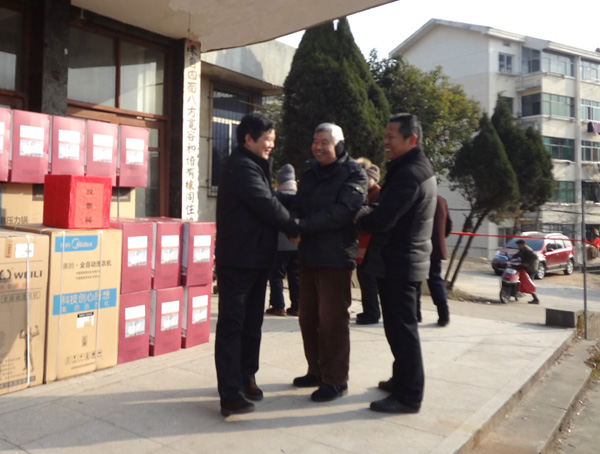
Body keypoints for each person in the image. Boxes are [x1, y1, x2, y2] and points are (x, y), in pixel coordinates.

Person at [214, 112, 300, 416]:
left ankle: (247, 376)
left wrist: (300, 201)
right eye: (267, 139)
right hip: (238, 260)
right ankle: (230, 394)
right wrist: (295, 227)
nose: (271, 145)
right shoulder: (241, 166)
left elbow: (271, 197)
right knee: (232, 325)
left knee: (252, 324)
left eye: (273, 140)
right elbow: (265, 203)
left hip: (257, 258)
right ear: (249, 139)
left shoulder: (255, 165)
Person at [356, 113, 436, 414]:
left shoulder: (409, 174)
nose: (385, 142)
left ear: (410, 139)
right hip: (404, 260)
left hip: (400, 262)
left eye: (391, 137)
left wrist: (361, 214)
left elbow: (383, 219)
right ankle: (401, 379)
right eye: (385, 136)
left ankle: (409, 396)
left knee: (402, 331)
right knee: (398, 328)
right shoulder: (411, 167)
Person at [292, 123, 367, 402]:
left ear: (339, 145)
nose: (318, 147)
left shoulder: (354, 173)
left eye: (325, 142)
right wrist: (291, 221)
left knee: (332, 320)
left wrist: (303, 225)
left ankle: (335, 380)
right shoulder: (310, 172)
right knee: (308, 317)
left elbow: (344, 212)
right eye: (315, 141)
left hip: (335, 257)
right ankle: (316, 370)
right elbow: (299, 203)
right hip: (309, 255)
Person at [266, 164, 300, 317]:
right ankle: (297, 306)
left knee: (276, 276)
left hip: (279, 244)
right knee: (295, 276)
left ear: (280, 182)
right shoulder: (301, 197)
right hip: (297, 243)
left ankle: (278, 306)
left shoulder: (276, 197)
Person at [416, 195, 452, 326]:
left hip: (418, 246)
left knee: (414, 280)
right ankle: (443, 315)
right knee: (436, 280)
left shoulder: (418, 198)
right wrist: (440, 238)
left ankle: (415, 314)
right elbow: (448, 225)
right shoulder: (441, 200)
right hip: (436, 247)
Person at [354, 158, 382, 325]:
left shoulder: (377, 195)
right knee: (365, 278)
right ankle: (370, 311)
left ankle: (371, 313)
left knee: (368, 279)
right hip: (366, 242)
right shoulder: (369, 193)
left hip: (372, 243)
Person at [512, 239, 540, 304]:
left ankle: (536, 299)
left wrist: (527, 264)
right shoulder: (522, 250)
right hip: (527, 268)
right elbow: (517, 255)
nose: (518, 246)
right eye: (518, 245)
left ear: (523, 244)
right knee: (522, 281)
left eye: (519, 245)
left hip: (531, 269)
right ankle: (518, 293)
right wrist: (511, 258)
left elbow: (534, 258)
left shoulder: (528, 250)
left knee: (529, 284)